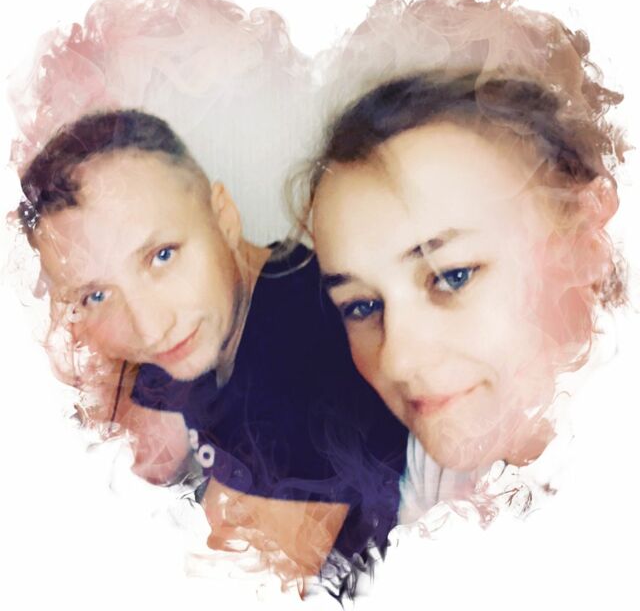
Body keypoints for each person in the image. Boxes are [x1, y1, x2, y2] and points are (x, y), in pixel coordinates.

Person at [18, 109, 408, 581]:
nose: (150, 328)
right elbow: (143, 458)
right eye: (96, 295)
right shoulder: (205, 313)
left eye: (161, 255)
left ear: (224, 217)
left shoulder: (305, 370)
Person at [299, 60, 625, 522]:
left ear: (585, 246)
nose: (398, 361)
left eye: (452, 276)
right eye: (362, 305)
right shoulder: (440, 460)